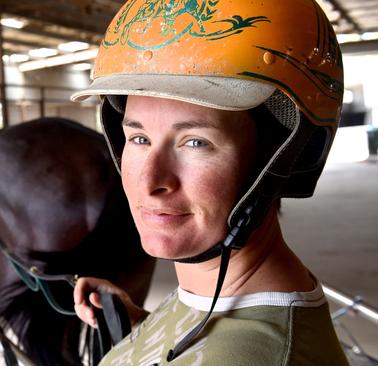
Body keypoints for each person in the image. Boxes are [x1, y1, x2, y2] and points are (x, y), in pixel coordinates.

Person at [70, 0, 348, 365]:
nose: (150, 181)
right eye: (139, 139)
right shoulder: (209, 288)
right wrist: (139, 327)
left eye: (195, 143)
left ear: (284, 155)